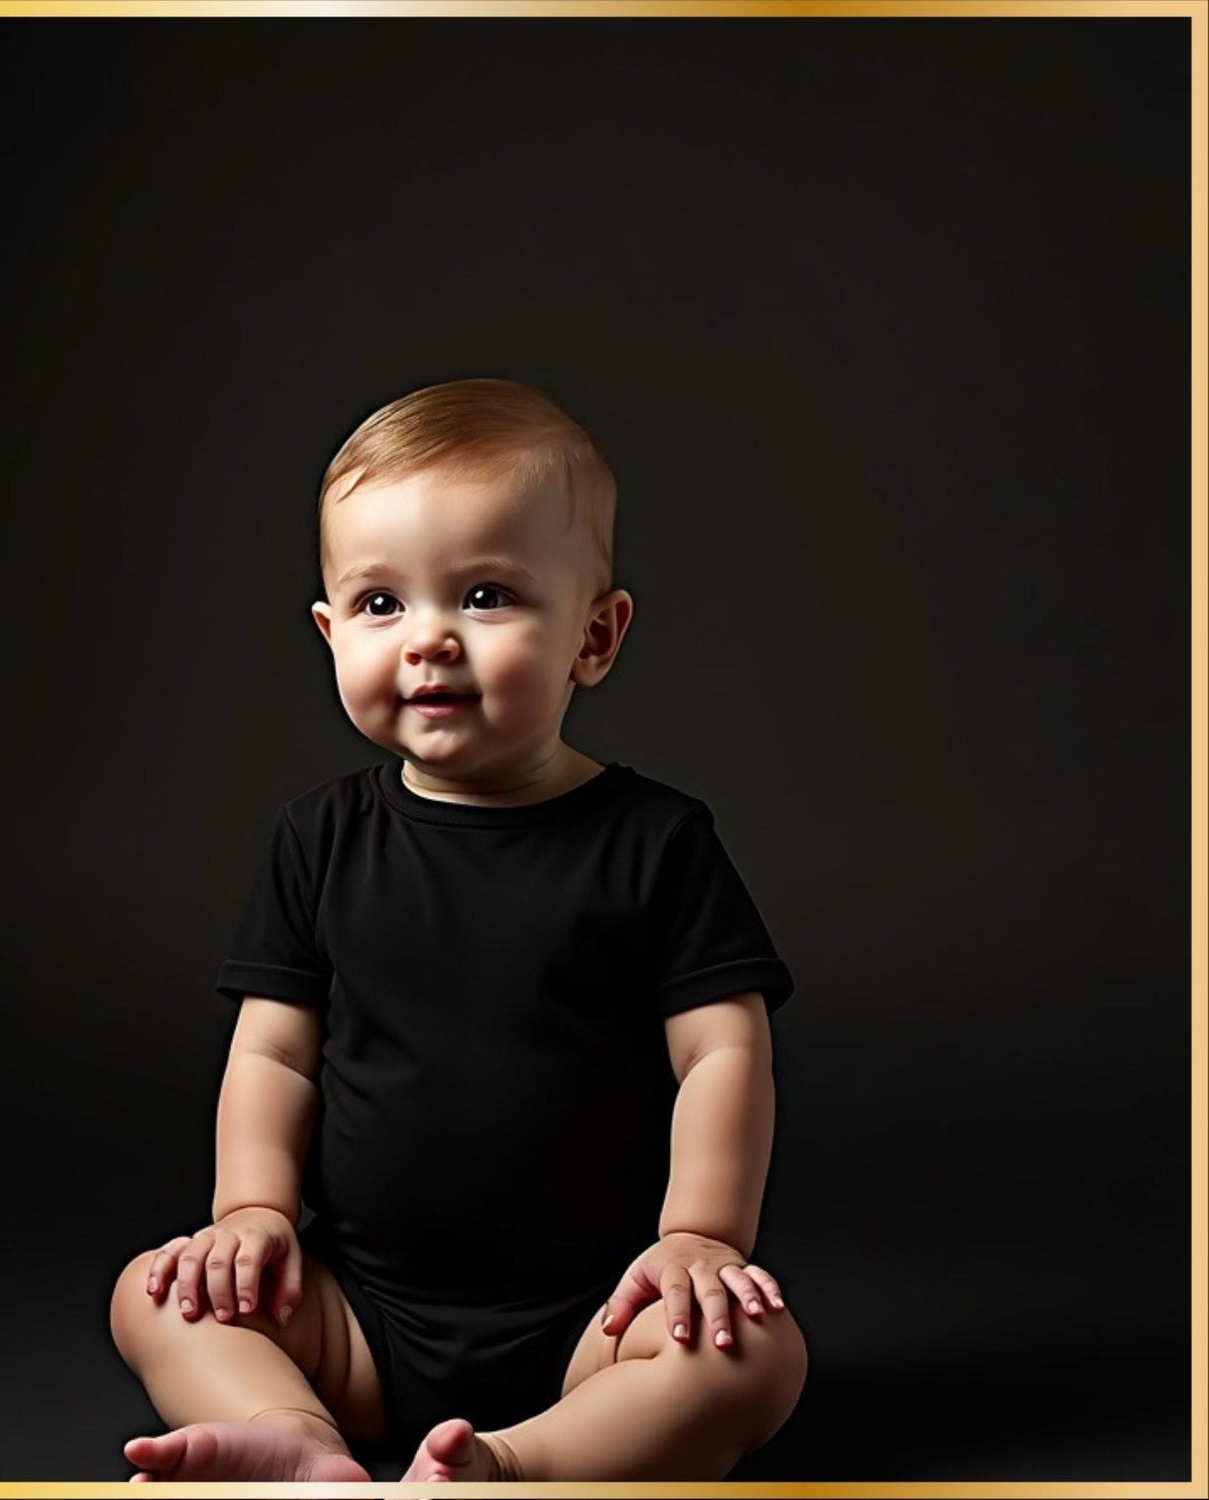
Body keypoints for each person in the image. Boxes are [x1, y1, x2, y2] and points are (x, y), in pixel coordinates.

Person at [108, 377, 809, 1483]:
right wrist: (250, 1212)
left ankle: (514, 1467)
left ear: (596, 633)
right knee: (157, 1295)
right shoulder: (319, 840)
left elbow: (724, 1048)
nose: (428, 640)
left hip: (601, 1314)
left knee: (755, 1358)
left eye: (485, 595)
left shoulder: (656, 841)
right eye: (383, 605)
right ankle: (300, 1443)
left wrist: (700, 1238)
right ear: (331, 633)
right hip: (361, 1317)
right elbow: (274, 1051)